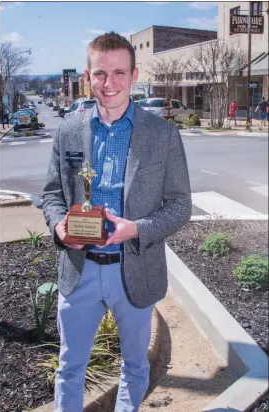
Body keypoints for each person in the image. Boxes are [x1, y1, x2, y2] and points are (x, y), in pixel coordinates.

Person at [43, 31, 192, 412]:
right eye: (100, 74)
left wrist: (137, 229)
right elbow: (52, 196)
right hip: (80, 271)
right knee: (70, 368)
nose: (109, 84)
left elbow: (180, 206)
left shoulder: (163, 135)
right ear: (87, 77)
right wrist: (60, 228)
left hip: (136, 268)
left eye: (119, 73)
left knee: (135, 365)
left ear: (134, 74)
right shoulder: (69, 130)